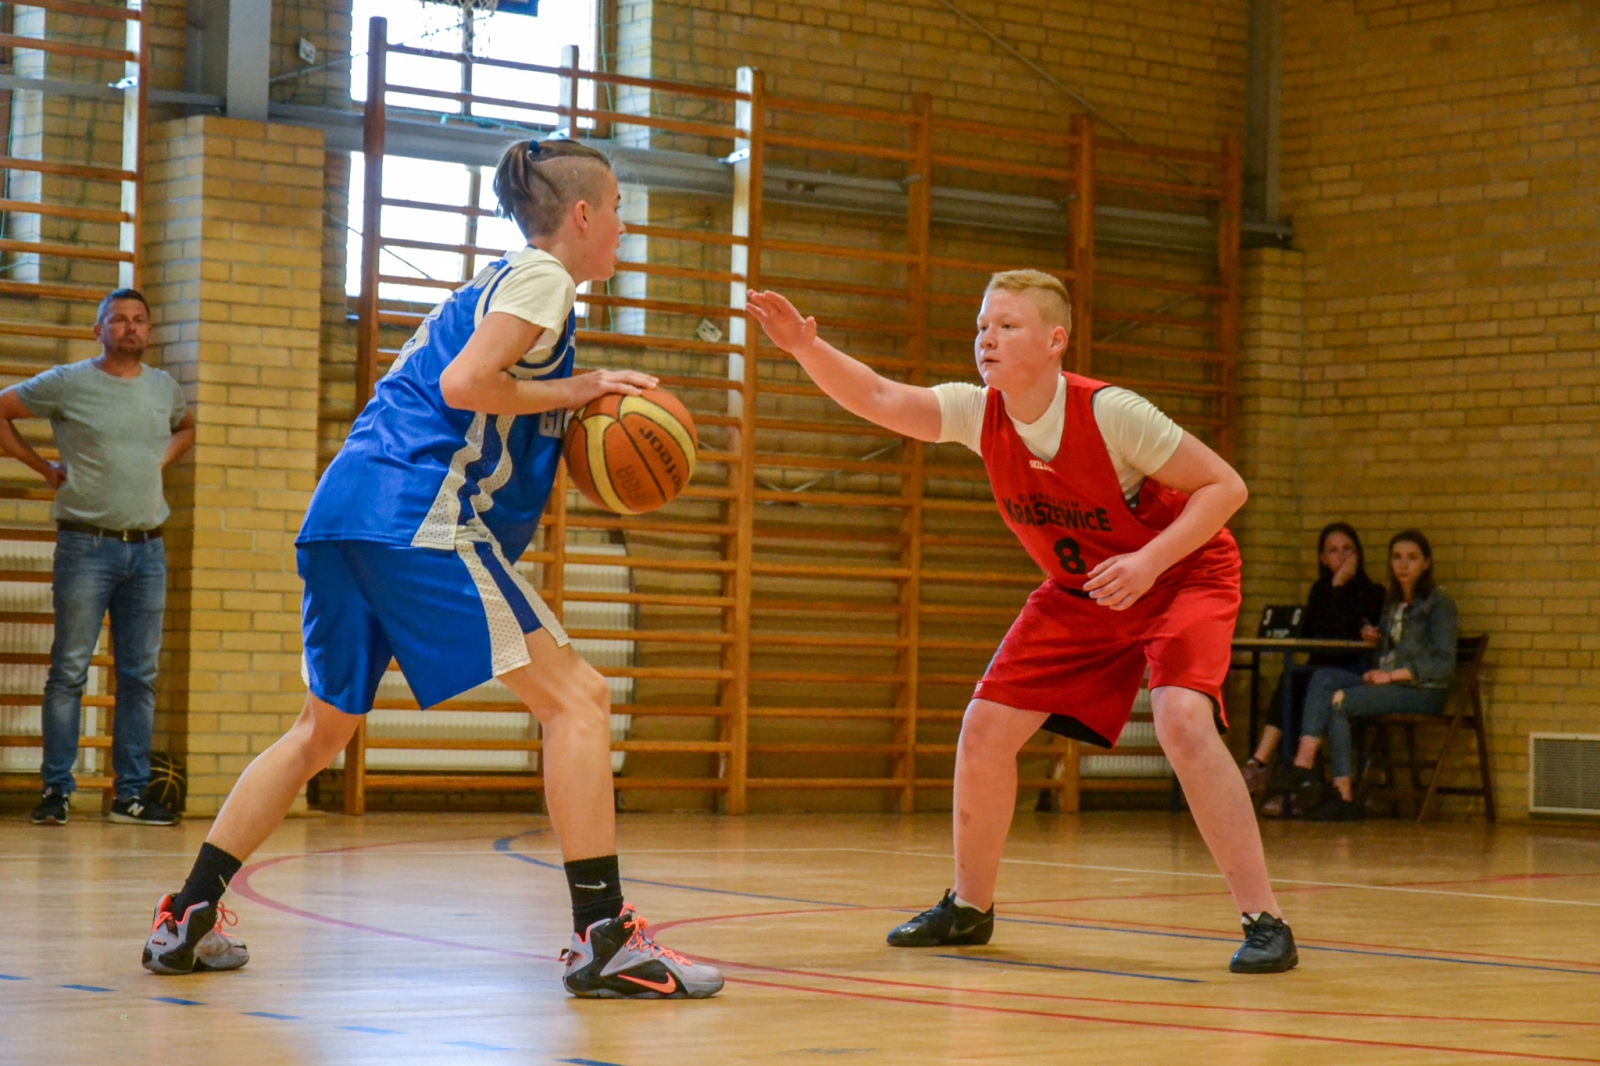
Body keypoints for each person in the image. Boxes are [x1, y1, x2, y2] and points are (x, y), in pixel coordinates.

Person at [141, 138, 725, 999]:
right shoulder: (544, 279)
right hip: (415, 513)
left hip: (345, 512)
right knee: (580, 699)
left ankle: (187, 914)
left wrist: (570, 405)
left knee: (321, 733)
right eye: (620, 211)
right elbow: (464, 385)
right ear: (583, 216)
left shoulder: (495, 283)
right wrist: (582, 387)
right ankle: (605, 937)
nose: (626, 228)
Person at [746, 270, 1298, 974]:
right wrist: (804, 349)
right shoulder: (981, 414)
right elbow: (883, 398)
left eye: (1007, 325)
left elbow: (1227, 487)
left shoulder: (1111, 413)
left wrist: (1149, 563)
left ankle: (1265, 920)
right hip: (1082, 588)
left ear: (1054, 339)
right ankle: (969, 909)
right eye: (982, 325)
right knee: (984, 729)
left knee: (1183, 722)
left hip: (1181, 570)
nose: (987, 338)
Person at [0, 290, 195, 827]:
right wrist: (44, 470)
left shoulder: (163, 389)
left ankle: (130, 796)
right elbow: (3, 409)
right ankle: (57, 792)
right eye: (118, 320)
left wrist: (159, 460)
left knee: (140, 677)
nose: (130, 328)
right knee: (69, 670)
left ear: (148, 332)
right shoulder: (68, 382)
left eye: (138, 321)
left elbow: (186, 427)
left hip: (148, 549)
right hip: (85, 546)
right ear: (98, 330)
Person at [1276, 530, 1458, 821]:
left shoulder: (1438, 603)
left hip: (1423, 690)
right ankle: (1303, 766)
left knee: (1340, 701)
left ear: (1426, 563)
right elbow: (1389, 652)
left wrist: (1393, 675)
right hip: (1390, 681)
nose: (1403, 565)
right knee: (1323, 679)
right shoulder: (1391, 604)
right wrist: (1376, 641)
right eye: (1397, 557)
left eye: (1412, 558)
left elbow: (1444, 663)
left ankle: (1342, 792)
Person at [1243, 522, 1384, 808]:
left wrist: (1339, 586)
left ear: (1358, 554)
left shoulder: (1373, 592)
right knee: (1292, 683)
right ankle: (1269, 769)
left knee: (1301, 683)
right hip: (1317, 672)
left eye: (1348, 549)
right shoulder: (1319, 590)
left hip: (1352, 671)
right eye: (1333, 551)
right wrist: (1274, 627)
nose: (1341, 557)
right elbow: (1310, 633)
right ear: (1322, 558)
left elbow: (1343, 631)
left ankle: (1267, 768)